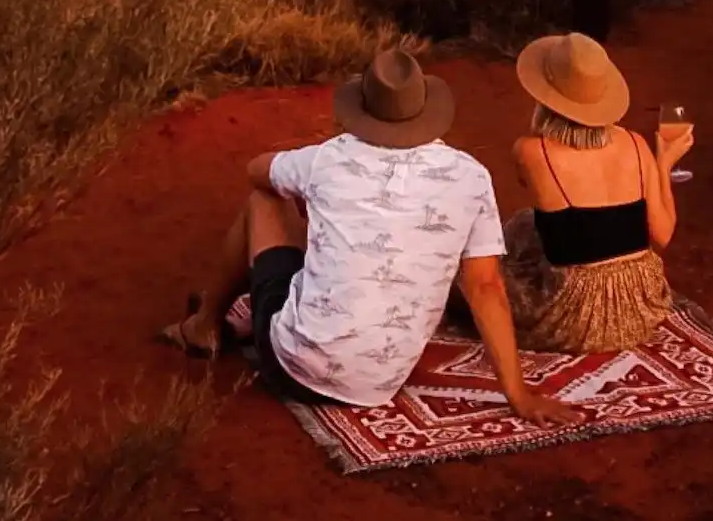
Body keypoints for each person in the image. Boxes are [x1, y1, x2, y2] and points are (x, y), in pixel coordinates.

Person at [159, 47, 576, 426]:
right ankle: (250, 314)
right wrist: (518, 395)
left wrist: (305, 189)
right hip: (381, 382)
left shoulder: (330, 157)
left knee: (263, 201)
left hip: (294, 368)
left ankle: (204, 324)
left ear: (363, 108)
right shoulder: (470, 176)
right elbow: (486, 287)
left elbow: (256, 170)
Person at [502, 31, 691, 353]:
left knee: (487, 265)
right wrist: (663, 165)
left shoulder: (532, 152)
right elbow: (662, 235)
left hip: (571, 317)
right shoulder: (635, 143)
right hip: (640, 309)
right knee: (528, 225)